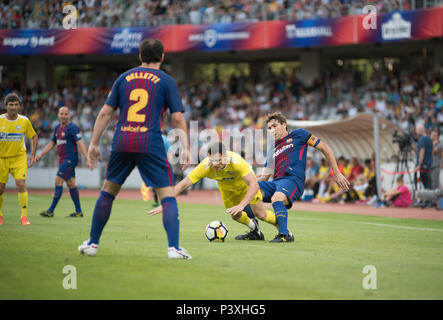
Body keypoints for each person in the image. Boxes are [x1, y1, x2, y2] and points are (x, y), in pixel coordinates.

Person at [78, 38, 192, 259]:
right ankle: (174, 248)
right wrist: (185, 147)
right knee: (167, 195)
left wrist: (93, 144)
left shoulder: (123, 78)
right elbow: (177, 118)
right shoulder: (166, 81)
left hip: (122, 141)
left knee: (108, 192)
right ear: (162, 57)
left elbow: (104, 113)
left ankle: (92, 244)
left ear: (140, 56)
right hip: (150, 141)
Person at [148, 142, 280, 240]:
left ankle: (283, 228)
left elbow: (254, 185)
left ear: (225, 156)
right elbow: (184, 184)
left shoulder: (237, 162)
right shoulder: (206, 166)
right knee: (235, 216)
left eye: (218, 160)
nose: (215, 164)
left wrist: (242, 204)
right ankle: (255, 231)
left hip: (246, 188)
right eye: (212, 160)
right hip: (227, 190)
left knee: (261, 215)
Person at [257, 112, 350, 242]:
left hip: (293, 180)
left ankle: (284, 235)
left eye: (275, 126)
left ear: (284, 125)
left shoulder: (299, 134)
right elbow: (264, 177)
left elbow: (325, 148)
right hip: (276, 183)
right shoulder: (271, 148)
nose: (272, 130)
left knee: (277, 197)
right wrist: (245, 180)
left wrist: (337, 173)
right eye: (269, 128)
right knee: (250, 191)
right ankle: (254, 231)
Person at [36, 107, 90, 217]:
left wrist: (87, 158)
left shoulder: (73, 128)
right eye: (62, 113)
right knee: (71, 184)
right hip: (62, 160)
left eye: (66, 114)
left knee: (58, 180)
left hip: (70, 159)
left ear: (69, 115)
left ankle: (50, 211)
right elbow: (51, 144)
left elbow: (80, 143)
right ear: (58, 115)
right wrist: (41, 154)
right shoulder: (57, 128)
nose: (64, 115)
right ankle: (79, 212)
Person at [0, 93, 38, 225]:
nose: (13, 107)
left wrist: (32, 155)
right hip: (1, 158)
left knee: (21, 183)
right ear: (5, 106)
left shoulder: (24, 121)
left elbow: (34, 136)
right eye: (11, 105)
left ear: (19, 106)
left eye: (16, 105)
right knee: (1, 188)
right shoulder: (0, 121)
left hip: (18, 157)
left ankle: (24, 216)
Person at [414, 124, 433, 190]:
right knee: (428, 185)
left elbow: (422, 151)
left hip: (422, 166)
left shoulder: (422, 139)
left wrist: (419, 164)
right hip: (428, 165)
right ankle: (430, 199)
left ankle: (422, 199)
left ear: (420, 130)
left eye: (416, 130)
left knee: (418, 184)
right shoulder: (429, 139)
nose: (416, 132)